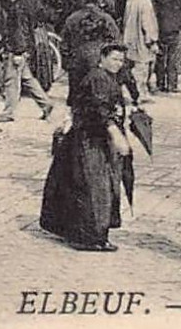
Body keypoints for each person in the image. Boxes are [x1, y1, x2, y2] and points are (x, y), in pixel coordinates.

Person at [41, 41, 133, 252]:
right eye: (114, 59)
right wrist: (115, 133)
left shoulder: (105, 77)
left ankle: (88, 234)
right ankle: (91, 237)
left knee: (90, 185)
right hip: (91, 140)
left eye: (121, 60)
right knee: (95, 187)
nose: (118, 63)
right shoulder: (98, 78)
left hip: (92, 138)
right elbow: (100, 110)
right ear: (102, 58)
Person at [0, 0, 53, 123]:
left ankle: (8, 112)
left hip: (17, 47)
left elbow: (19, 31)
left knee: (11, 80)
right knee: (27, 79)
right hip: (26, 45)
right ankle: (46, 104)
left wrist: (18, 52)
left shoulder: (17, 6)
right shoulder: (28, 1)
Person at [122, 0, 159, 99]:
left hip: (129, 37)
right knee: (142, 68)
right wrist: (152, 41)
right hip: (141, 40)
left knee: (132, 67)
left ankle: (134, 92)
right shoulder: (145, 1)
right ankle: (140, 94)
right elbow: (147, 23)